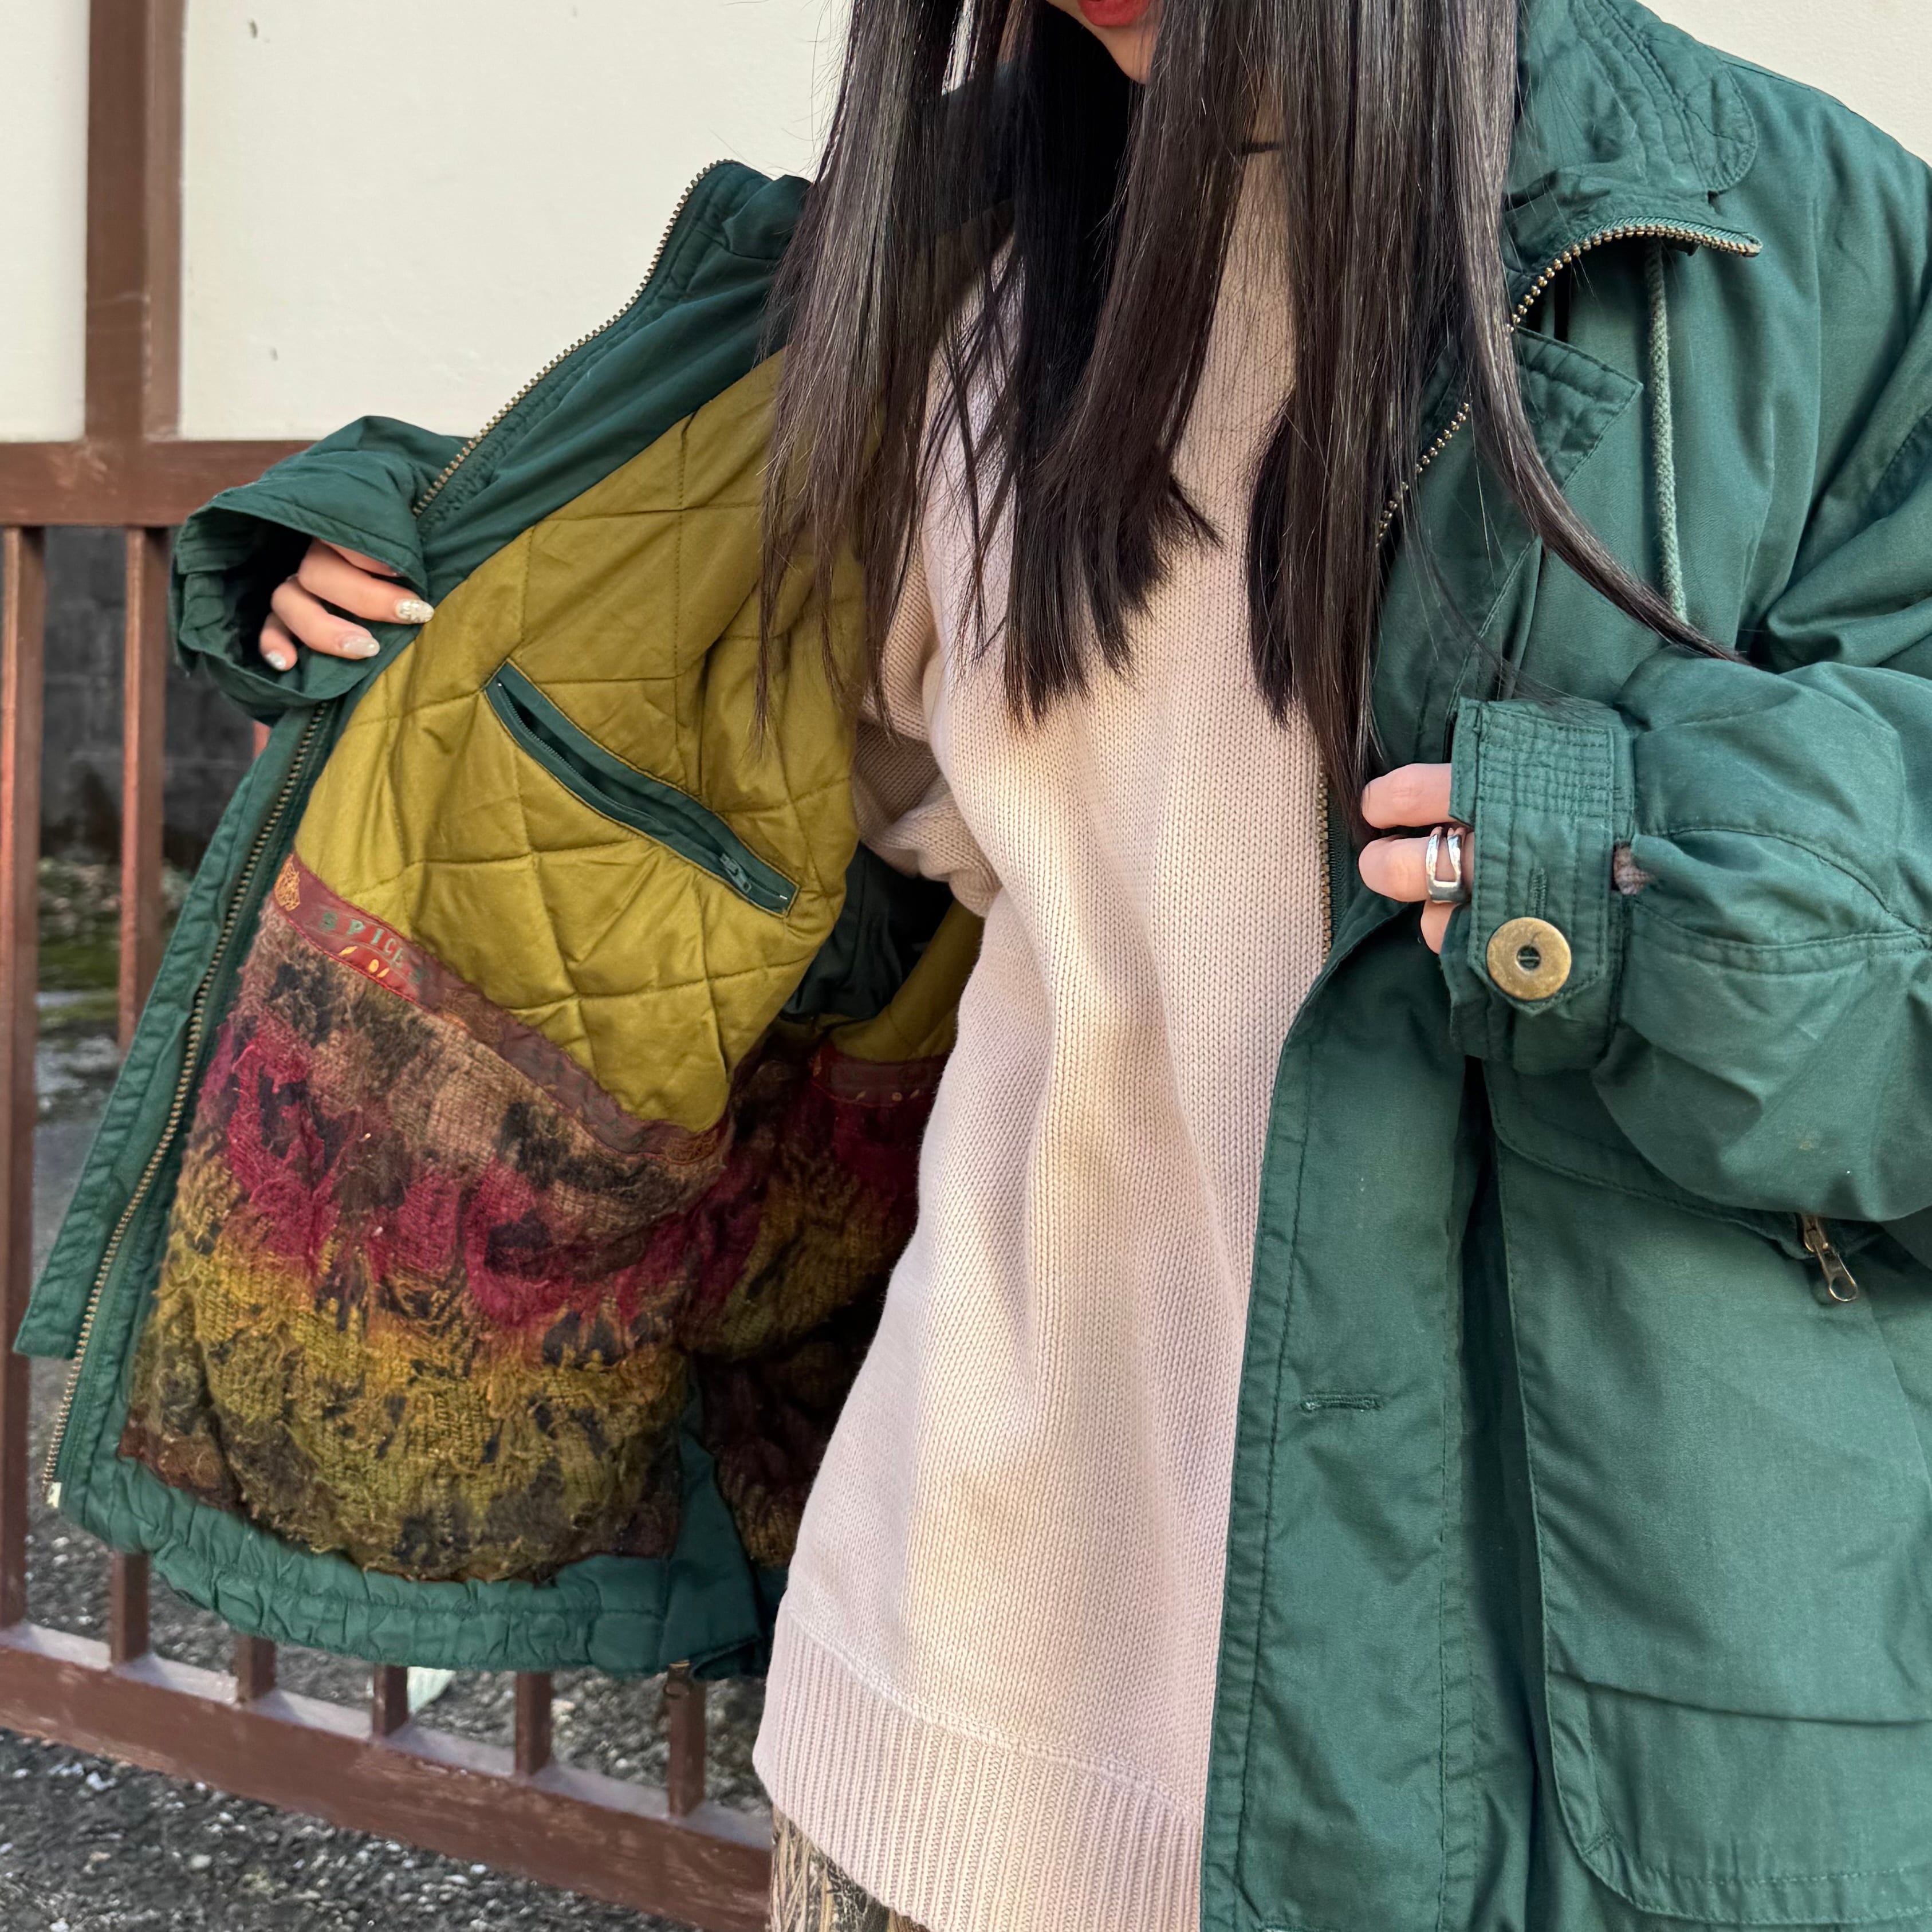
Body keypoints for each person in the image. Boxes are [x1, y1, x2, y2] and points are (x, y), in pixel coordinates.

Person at [258, 2, 1932, 1930]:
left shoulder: (1773, 240)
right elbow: (757, 750)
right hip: (947, 1697)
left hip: (1560, 1750)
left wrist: (1648, 884)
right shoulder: (942, 250)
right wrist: (429, 572)